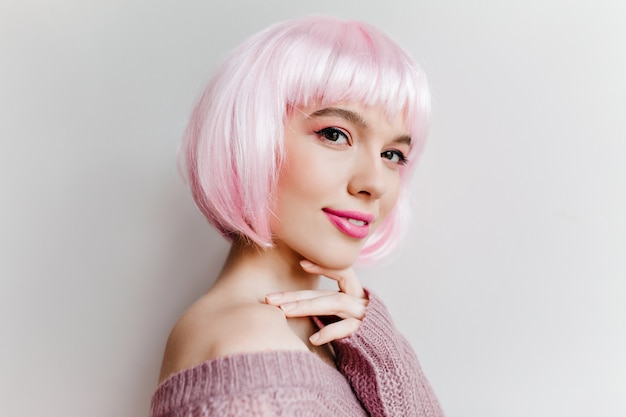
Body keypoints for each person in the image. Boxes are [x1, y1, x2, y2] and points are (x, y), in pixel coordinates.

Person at [151, 15, 444, 417]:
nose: (374, 182)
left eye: (392, 154)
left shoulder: (322, 338)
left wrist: (381, 349)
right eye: (335, 134)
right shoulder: (248, 341)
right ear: (254, 137)